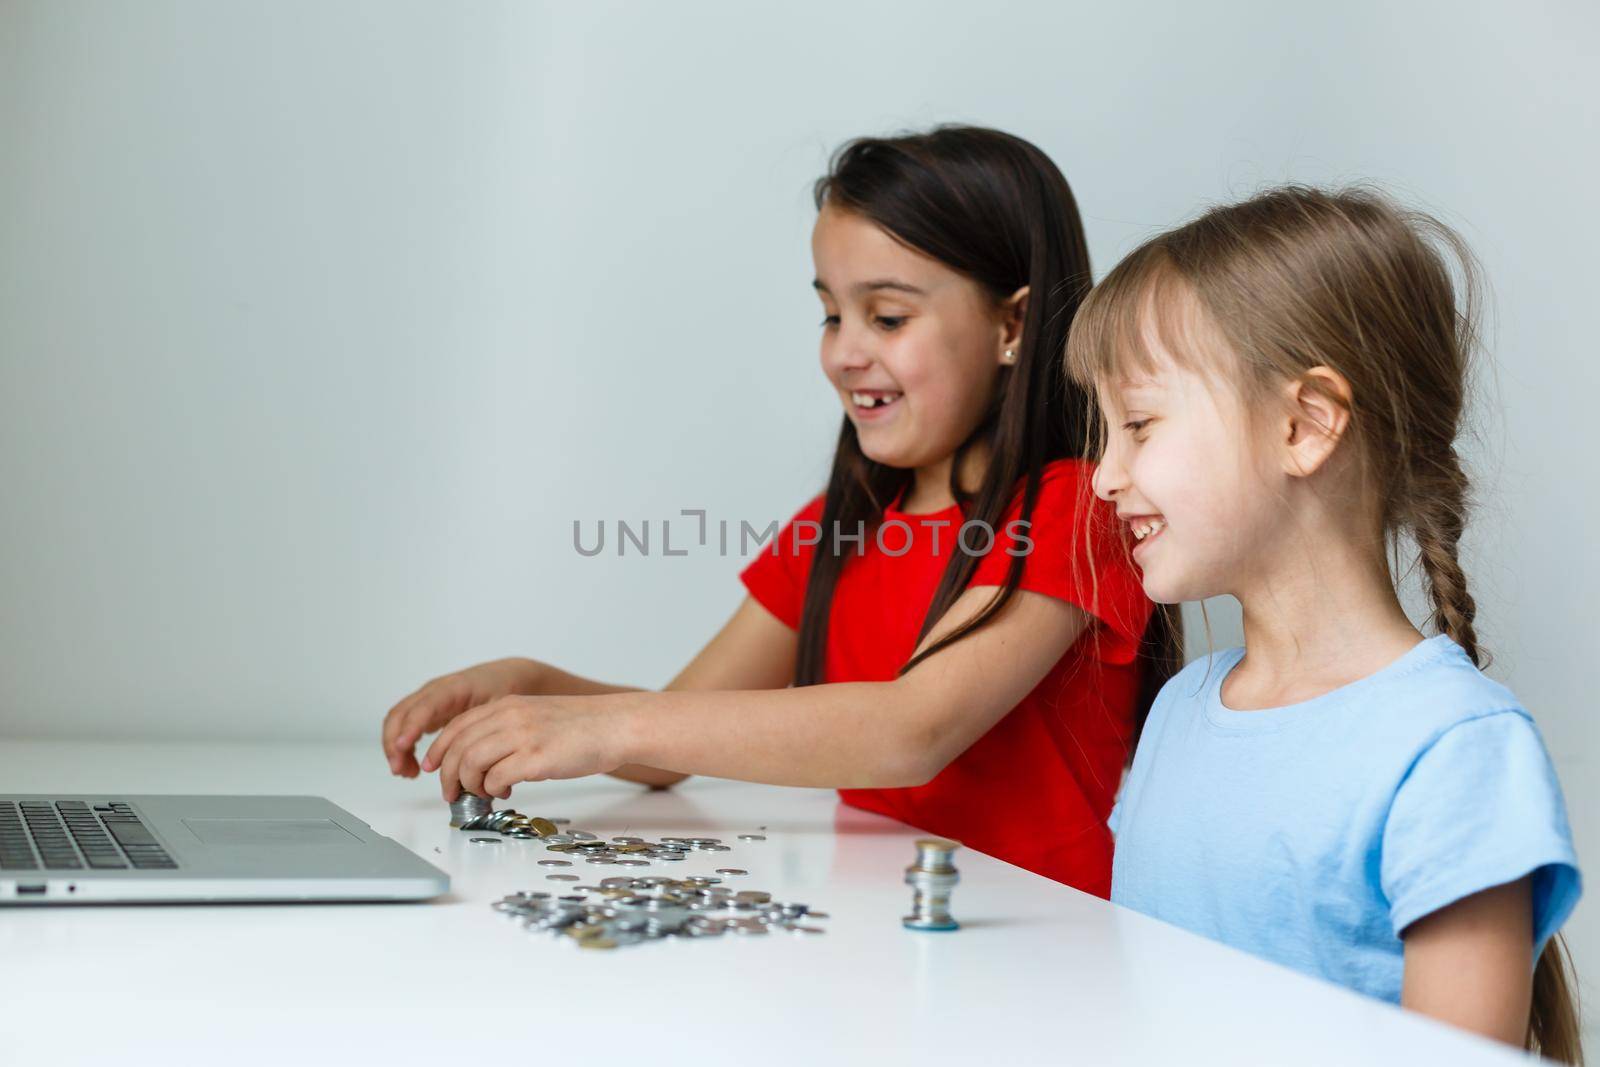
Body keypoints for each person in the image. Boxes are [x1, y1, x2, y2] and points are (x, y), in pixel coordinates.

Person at [381, 125, 1177, 895]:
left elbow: (911, 731)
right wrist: (533, 689)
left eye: (888, 317)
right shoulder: (839, 527)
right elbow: (668, 741)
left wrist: (601, 725)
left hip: (1044, 943)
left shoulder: (1079, 506)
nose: (842, 351)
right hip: (878, 921)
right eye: (832, 313)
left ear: (1012, 324)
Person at [1069, 184, 1582, 1057]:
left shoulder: (1455, 749)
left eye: (1139, 424)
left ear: (1305, 424)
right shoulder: (1179, 711)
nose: (1102, 475)